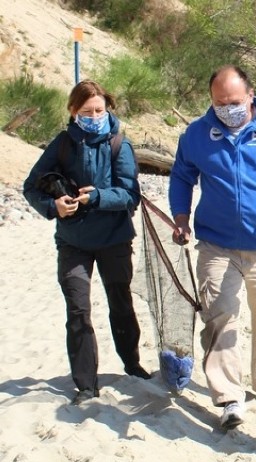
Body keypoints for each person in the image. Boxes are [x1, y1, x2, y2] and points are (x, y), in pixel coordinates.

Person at [169, 65, 256, 430]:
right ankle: (229, 397)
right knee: (219, 316)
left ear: (250, 95)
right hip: (216, 243)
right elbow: (182, 176)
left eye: (233, 102)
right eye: (219, 103)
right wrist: (180, 218)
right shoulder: (197, 135)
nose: (227, 109)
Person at [23, 80, 151, 405]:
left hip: (115, 239)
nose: (94, 116)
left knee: (120, 302)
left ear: (108, 107)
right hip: (73, 242)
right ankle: (85, 385)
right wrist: (53, 207)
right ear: (73, 111)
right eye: (86, 111)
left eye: (99, 109)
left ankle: (133, 364)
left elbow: (130, 195)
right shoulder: (63, 143)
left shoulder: (120, 143)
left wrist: (98, 198)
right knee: (78, 310)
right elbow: (31, 186)